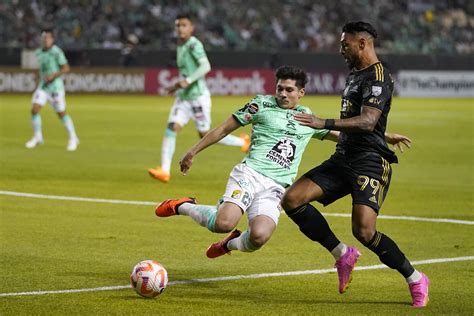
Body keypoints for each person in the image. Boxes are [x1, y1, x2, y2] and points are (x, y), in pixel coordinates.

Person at [154, 66, 410, 278]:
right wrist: (192, 151)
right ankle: (183, 206)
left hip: (276, 187)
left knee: (258, 237)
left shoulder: (306, 116)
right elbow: (224, 128)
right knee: (223, 222)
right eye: (280, 89)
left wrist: (383, 137)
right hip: (249, 174)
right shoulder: (260, 105)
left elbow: (338, 135)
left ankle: (228, 244)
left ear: (301, 92)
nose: (283, 94)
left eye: (289, 90)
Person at [281, 21, 429, 307]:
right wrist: (385, 133)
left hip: (370, 162)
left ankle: (415, 278)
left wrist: (322, 123)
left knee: (364, 231)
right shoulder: (355, 74)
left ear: (362, 43)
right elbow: (365, 122)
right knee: (292, 199)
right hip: (343, 157)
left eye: (344, 44)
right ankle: (342, 254)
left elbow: (367, 121)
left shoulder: (379, 76)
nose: (340, 50)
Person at [148, 14, 249, 183]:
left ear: (191, 28)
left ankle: (242, 142)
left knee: (204, 133)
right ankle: (164, 170)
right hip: (184, 98)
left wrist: (187, 81)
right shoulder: (181, 45)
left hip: (197, 98)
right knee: (172, 128)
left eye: (184, 25)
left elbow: (205, 66)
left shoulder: (194, 44)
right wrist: (177, 86)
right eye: (178, 25)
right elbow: (187, 72)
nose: (180, 28)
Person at [25, 29, 79, 151]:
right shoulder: (38, 52)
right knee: (34, 109)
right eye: (44, 38)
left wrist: (53, 76)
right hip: (43, 87)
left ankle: (73, 137)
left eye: (48, 38)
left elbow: (66, 68)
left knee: (61, 113)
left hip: (55, 88)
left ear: (52, 40)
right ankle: (38, 136)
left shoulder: (56, 52)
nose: (46, 40)